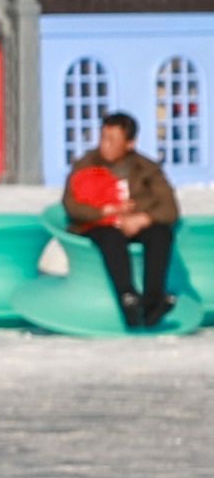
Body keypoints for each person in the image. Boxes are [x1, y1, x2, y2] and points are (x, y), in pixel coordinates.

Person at [64, 110, 182, 329]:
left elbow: (170, 208)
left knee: (161, 234)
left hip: (135, 223)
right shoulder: (86, 165)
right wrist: (105, 213)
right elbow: (71, 206)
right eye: (103, 138)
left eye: (113, 140)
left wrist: (143, 218)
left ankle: (152, 300)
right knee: (111, 238)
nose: (105, 145)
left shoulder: (147, 169)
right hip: (98, 225)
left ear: (130, 144)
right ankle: (127, 296)